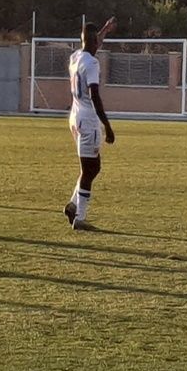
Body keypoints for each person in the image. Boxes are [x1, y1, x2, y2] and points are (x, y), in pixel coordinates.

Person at [64, 17, 117, 231]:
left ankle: (73, 205)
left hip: (75, 117)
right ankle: (80, 217)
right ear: (94, 43)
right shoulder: (92, 63)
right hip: (88, 119)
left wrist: (104, 30)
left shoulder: (76, 57)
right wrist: (107, 125)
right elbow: (95, 95)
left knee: (93, 167)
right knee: (89, 170)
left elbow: (92, 44)